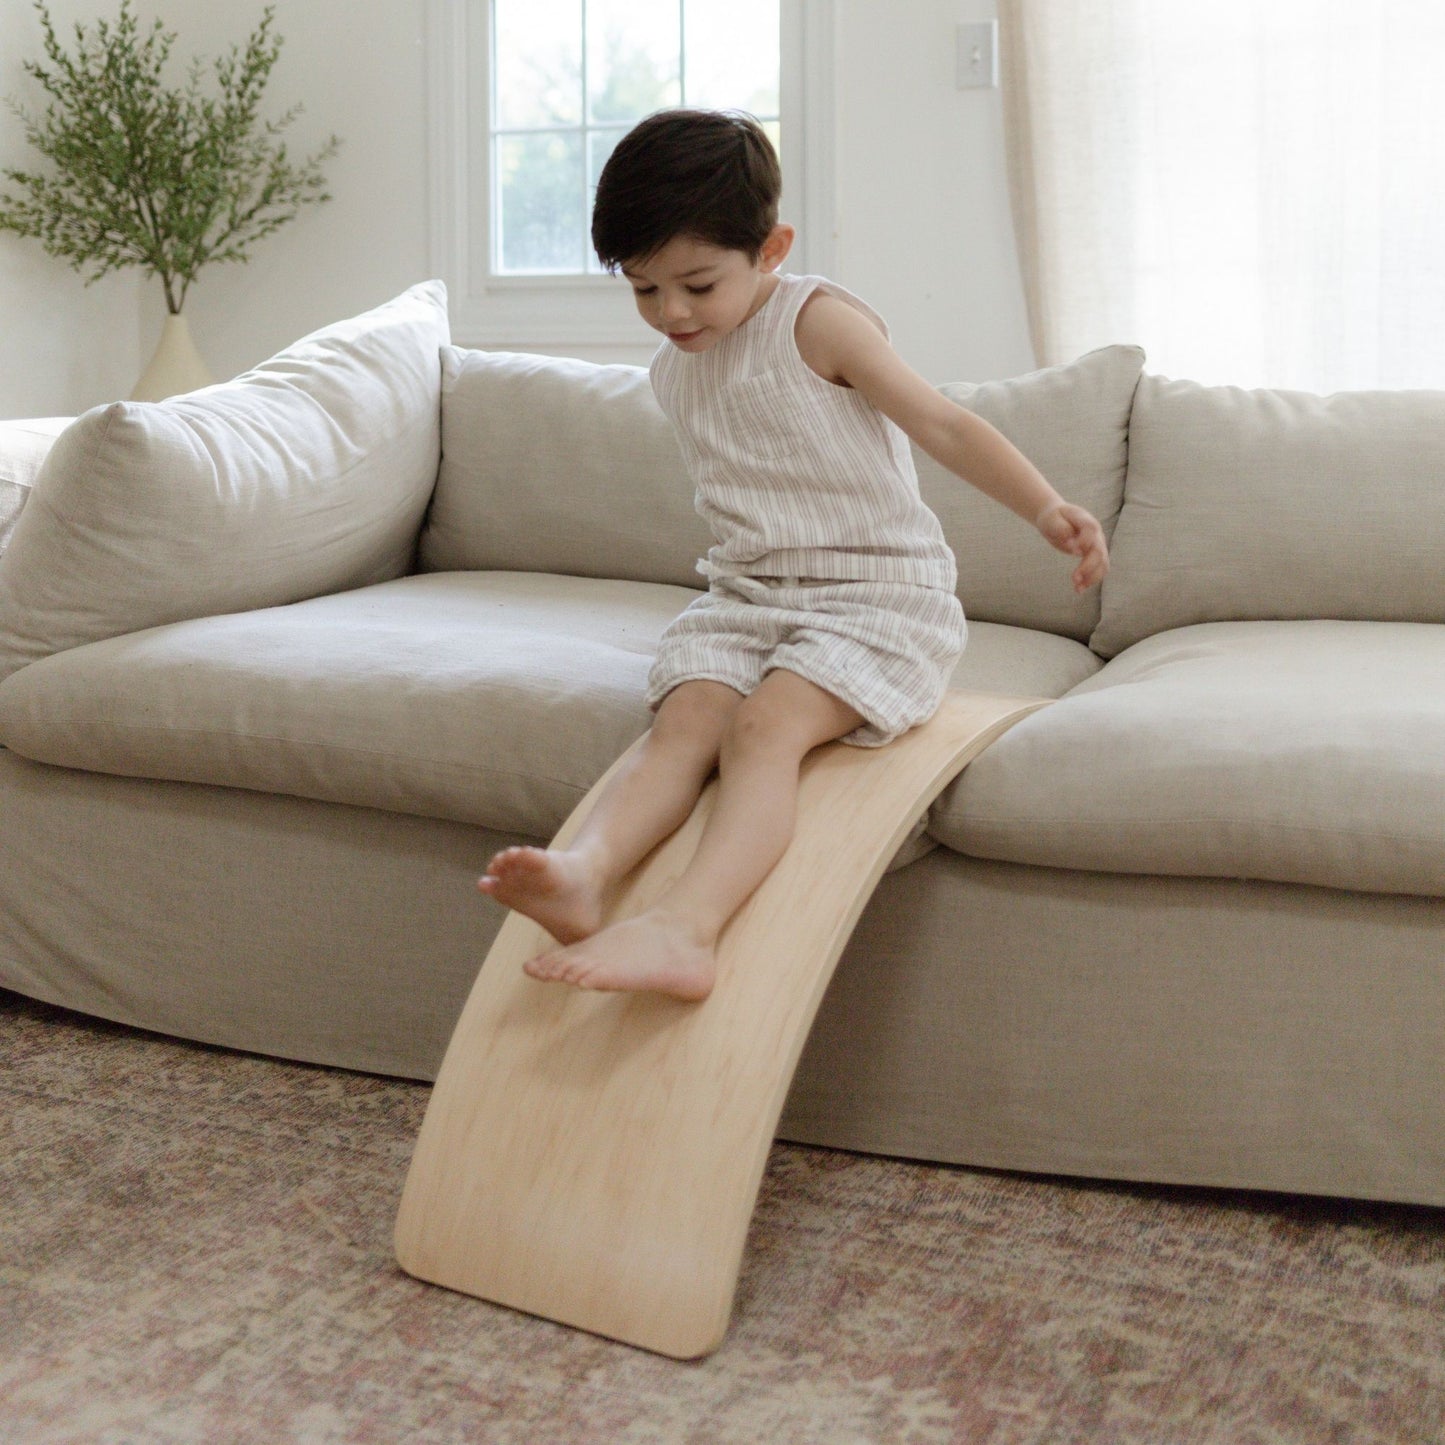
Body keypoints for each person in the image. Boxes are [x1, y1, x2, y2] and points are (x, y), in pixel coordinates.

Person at [479, 108, 1108, 1002]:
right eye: (644, 290)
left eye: (697, 283)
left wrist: (1044, 507)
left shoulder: (819, 324)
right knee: (685, 719)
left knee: (760, 729)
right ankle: (585, 870)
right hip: (748, 596)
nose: (672, 313)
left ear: (770, 248)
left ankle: (684, 929)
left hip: (879, 598)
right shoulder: (675, 369)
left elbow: (941, 422)